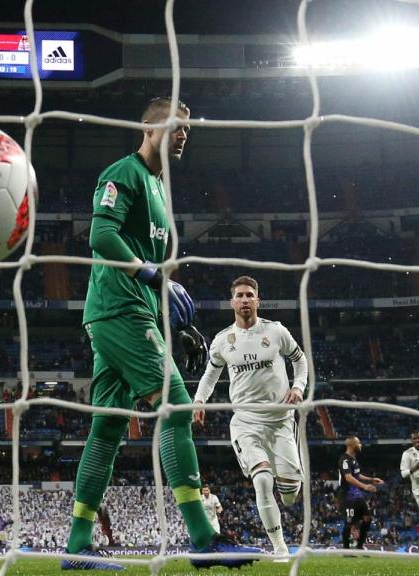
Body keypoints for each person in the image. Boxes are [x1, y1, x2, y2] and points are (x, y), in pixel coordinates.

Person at [64, 96, 259, 571]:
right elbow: (101, 237)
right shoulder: (123, 173)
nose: (184, 135)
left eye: (188, 129)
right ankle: (202, 539)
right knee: (175, 407)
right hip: (120, 310)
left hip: (131, 314)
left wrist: (173, 322)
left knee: (108, 426)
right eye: (176, 127)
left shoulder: (156, 186)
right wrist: (154, 278)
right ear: (149, 128)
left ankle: (76, 547)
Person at [193, 275, 308, 557]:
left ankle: (289, 486)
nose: (245, 300)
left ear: (258, 300)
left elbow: (300, 360)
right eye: (240, 295)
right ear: (232, 302)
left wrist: (298, 386)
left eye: (249, 295)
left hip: (281, 421)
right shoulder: (222, 341)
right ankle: (280, 547)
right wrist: (199, 401)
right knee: (262, 481)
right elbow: (210, 375)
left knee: (291, 496)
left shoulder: (277, 332)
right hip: (246, 422)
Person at [338, 436, 384, 550]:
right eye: (358, 443)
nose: (360, 445)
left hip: (357, 495)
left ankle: (359, 546)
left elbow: (357, 475)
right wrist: (365, 487)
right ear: (351, 445)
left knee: (367, 518)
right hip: (347, 495)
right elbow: (348, 477)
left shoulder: (353, 459)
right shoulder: (345, 459)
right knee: (349, 523)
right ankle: (346, 550)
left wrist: (371, 479)